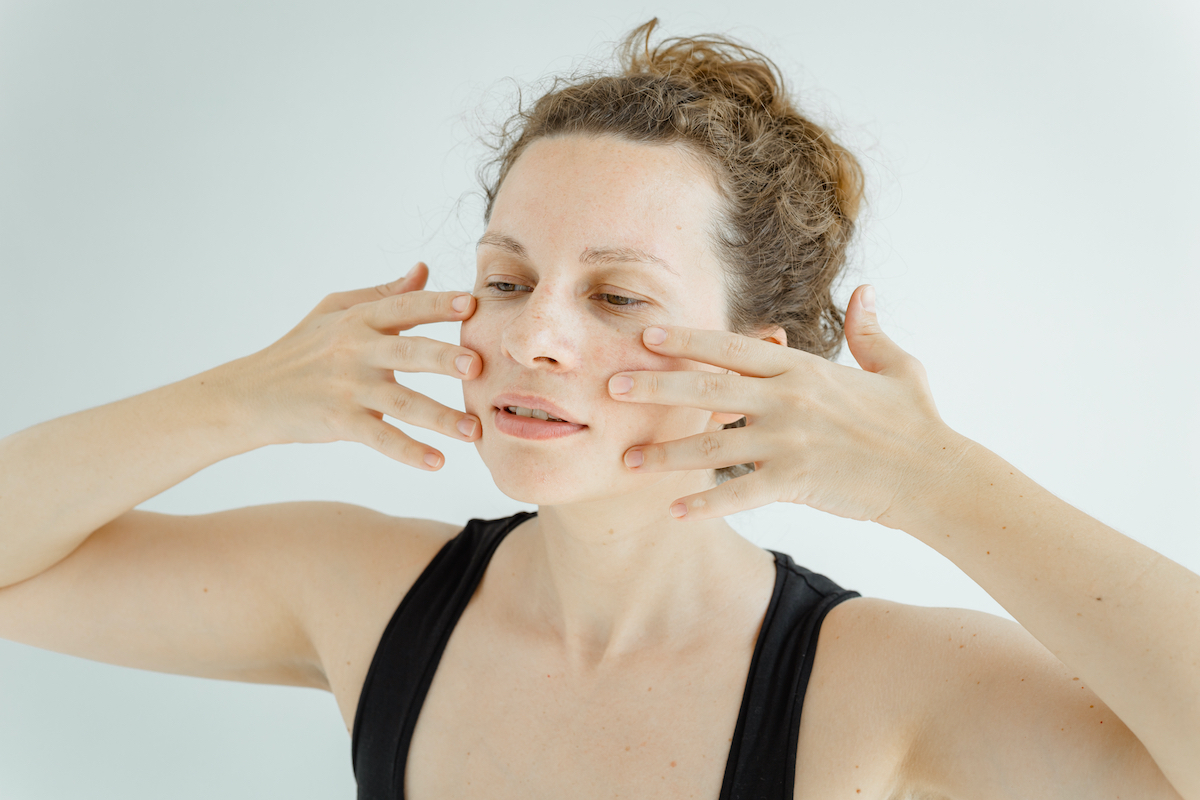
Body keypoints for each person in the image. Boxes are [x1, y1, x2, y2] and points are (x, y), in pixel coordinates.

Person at [0, 17, 1196, 800]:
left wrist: (936, 482)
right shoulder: (368, 597)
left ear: (757, 363)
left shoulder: (873, 682)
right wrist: (239, 399)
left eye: (617, 293)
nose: (530, 335)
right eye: (508, 279)